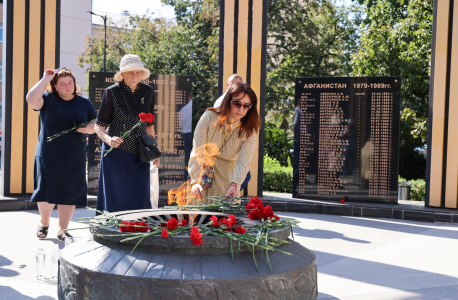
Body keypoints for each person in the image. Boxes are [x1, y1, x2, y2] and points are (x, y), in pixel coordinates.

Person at [26, 68, 97, 241]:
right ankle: (44, 223)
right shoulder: (48, 100)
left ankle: (62, 230)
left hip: (74, 155)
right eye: (62, 84)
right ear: (55, 87)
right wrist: (45, 78)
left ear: (74, 84)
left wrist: (89, 129)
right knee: (46, 191)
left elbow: (96, 123)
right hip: (49, 154)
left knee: (70, 192)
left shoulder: (83, 102)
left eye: (70, 83)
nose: (67, 86)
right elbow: (31, 99)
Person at [95, 54, 159, 213]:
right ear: (122, 74)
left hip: (140, 155)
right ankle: (112, 231)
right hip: (116, 154)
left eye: (138, 72)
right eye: (130, 72)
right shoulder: (112, 92)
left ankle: (137, 232)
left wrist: (154, 152)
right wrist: (109, 139)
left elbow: (149, 124)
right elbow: (99, 126)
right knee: (115, 198)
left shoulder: (148, 91)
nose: (135, 76)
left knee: (140, 197)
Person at [188, 82, 260, 203]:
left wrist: (235, 184)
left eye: (247, 106)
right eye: (237, 103)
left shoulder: (249, 129)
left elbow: (244, 162)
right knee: (198, 218)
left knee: (225, 220)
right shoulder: (209, 117)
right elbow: (197, 151)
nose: (241, 109)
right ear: (228, 101)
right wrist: (195, 181)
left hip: (228, 183)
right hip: (201, 178)